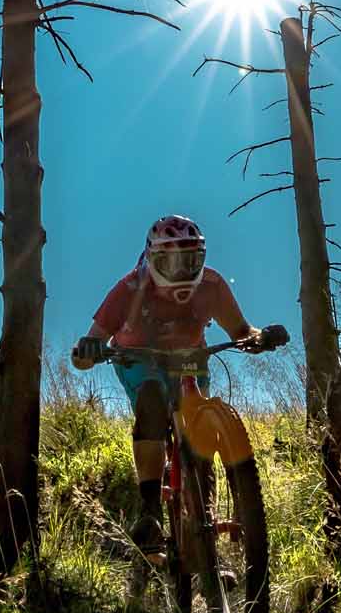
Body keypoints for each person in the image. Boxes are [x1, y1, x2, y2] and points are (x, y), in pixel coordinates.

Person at [71, 214, 276, 550]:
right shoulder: (128, 290)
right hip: (139, 359)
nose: (182, 271)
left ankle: (205, 521)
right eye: (172, 262)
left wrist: (260, 337)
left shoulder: (212, 285)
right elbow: (87, 348)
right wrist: (87, 350)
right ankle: (150, 510)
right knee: (151, 399)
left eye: (190, 261)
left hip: (189, 358)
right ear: (152, 260)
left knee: (200, 428)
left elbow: (241, 331)